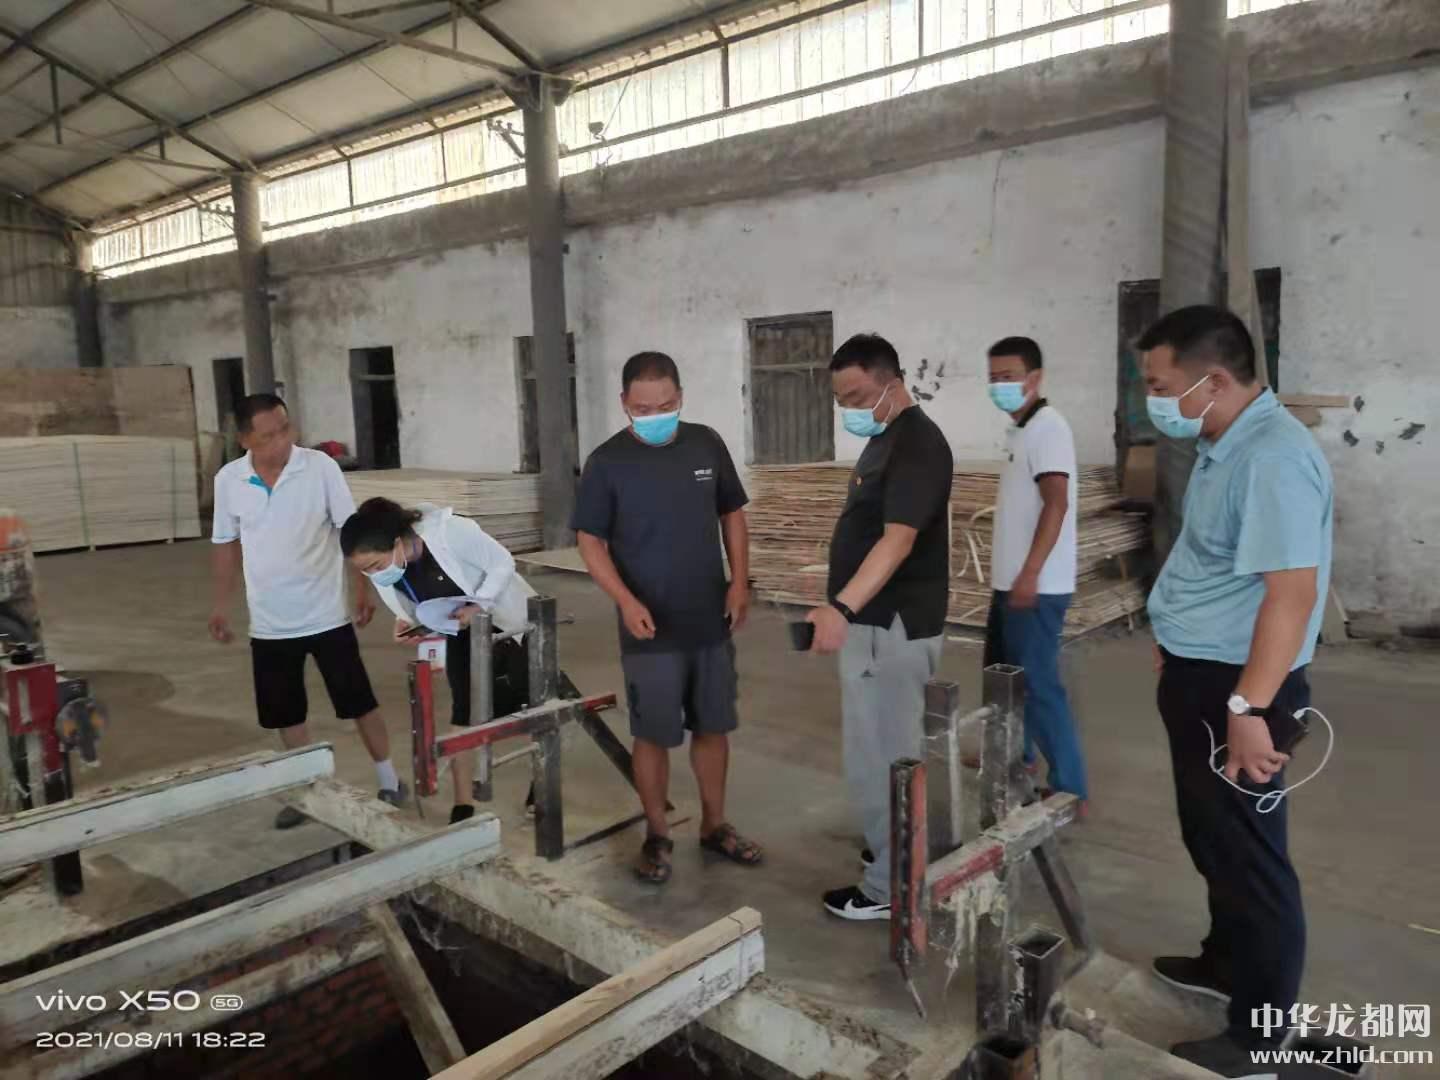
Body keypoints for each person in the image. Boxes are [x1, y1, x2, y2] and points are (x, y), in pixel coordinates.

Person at [1140, 306, 1332, 1076]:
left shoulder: (1273, 458)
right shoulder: (1227, 443)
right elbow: (1217, 567)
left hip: (1241, 688)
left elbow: (1291, 595)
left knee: (1252, 856)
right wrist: (1178, 644)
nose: (1153, 402)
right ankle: (1227, 963)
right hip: (1206, 675)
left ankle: (1263, 1035)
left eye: (1161, 387)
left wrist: (1248, 707)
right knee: (1212, 836)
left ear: (1213, 381)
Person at [572, 351, 761, 885]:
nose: (655, 415)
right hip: (648, 625)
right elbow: (590, 541)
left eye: (666, 405)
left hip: (709, 616)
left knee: (713, 724)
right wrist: (625, 601)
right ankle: (657, 833)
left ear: (680, 397)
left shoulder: (705, 443)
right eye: (642, 408)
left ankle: (715, 824)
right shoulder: (607, 462)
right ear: (624, 403)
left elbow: (731, 513)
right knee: (652, 732)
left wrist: (739, 581)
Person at [808, 333, 953, 921]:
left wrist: (841, 608)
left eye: (858, 396)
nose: (850, 409)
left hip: (887, 624)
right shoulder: (887, 438)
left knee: (882, 756)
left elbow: (898, 540)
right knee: (883, 748)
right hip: (877, 624)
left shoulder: (916, 444)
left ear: (892, 383)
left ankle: (888, 887)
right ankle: (894, 851)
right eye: (841, 400)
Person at [209, 394, 404, 829]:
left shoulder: (320, 468)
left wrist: (362, 589)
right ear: (245, 440)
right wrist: (221, 605)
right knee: (287, 713)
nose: (282, 440)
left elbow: (348, 530)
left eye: (286, 428)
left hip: (326, 614)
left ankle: (389, 779)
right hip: (269, 622)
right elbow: (225, 544)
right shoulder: (229, 480)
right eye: (268, 435)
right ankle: (310, 791)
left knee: (359, 701)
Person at [341, 497, 536, 824]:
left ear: (397, 542)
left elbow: (502, 562)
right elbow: (412, 602)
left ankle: (540, 785)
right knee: (463, 711)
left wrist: (479, 604)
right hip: (460, 628)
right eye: (366, 570)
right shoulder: (390, 566)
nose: (374, 574)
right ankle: (463, 804)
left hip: (508, 619)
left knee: (533, 706)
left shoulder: (450, 533)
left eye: (375, 565)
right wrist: (407, 622)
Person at [982, 336, 1088, 805]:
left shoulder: (1049, 428)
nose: (999, 385)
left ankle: (1071, 787)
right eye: (993, 378)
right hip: (1010, 583)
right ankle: (1018, 756)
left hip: (1036, 586)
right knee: (1004, 678)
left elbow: (1056, 503)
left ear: (1035, 378)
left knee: (1039, 686)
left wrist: (1030, 573)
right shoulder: (1020, 431)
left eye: (1008, 377)